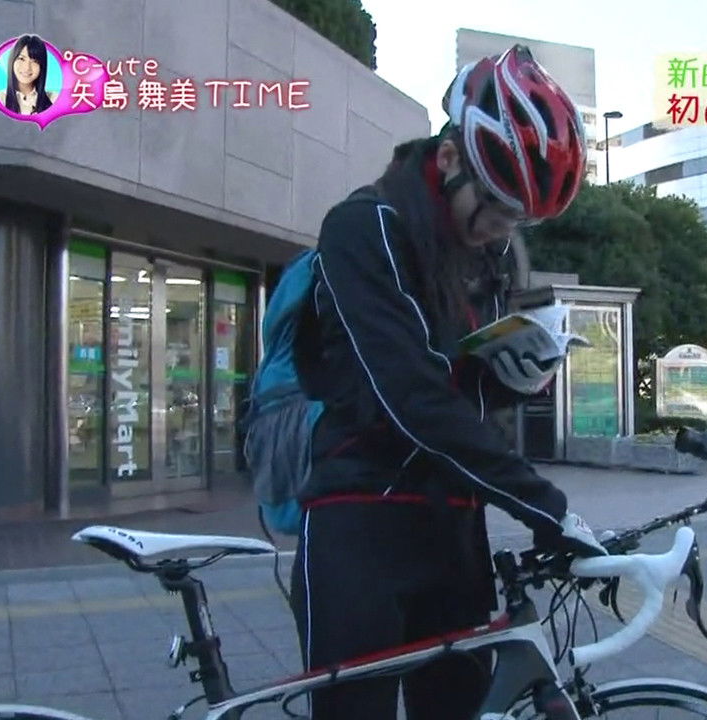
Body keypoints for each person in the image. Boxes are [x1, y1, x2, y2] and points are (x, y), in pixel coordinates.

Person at [289, 45, 606, 720]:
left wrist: (517, 378)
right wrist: (542, 503)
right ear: (453, 158)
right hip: (359, 521)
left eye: (520, 218)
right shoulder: (363, 229)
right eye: (497, 207)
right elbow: (409, 397)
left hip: (455, 526)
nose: (503, 228)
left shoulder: (483, 257)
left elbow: (463, 396)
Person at [0, 35, 57, 115]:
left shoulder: (54, 99)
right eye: (21, 59)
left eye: (35, 61)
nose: (27, 68)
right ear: (12, 61)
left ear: (42, 66)